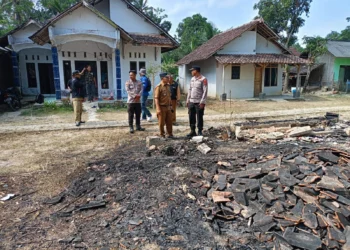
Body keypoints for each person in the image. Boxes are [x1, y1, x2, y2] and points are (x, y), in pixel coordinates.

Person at [186, 65, 208, 137]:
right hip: (192, 101)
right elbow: (190, 89)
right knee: (191, 117)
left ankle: (199, 131)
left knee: (199, 117)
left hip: (199, 102)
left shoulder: (203, 79)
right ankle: (192, 131)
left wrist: (202, 102)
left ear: (196, 71)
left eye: (193, 70)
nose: (192, 72)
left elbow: (205, 91)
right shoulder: (192, 79)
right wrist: (188, 100)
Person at [154, 73, 173, 138]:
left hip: (168, 107)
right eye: (166, 77)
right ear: (162, 78)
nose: (168, 79)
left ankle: (170, 134)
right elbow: (156, 98)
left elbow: (169, 97)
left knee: (169, 121)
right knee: (161, 122)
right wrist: (158, 108)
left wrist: (171, 106)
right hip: (161, 107)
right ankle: (162, 134)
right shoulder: (158, 87)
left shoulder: (168, 86)